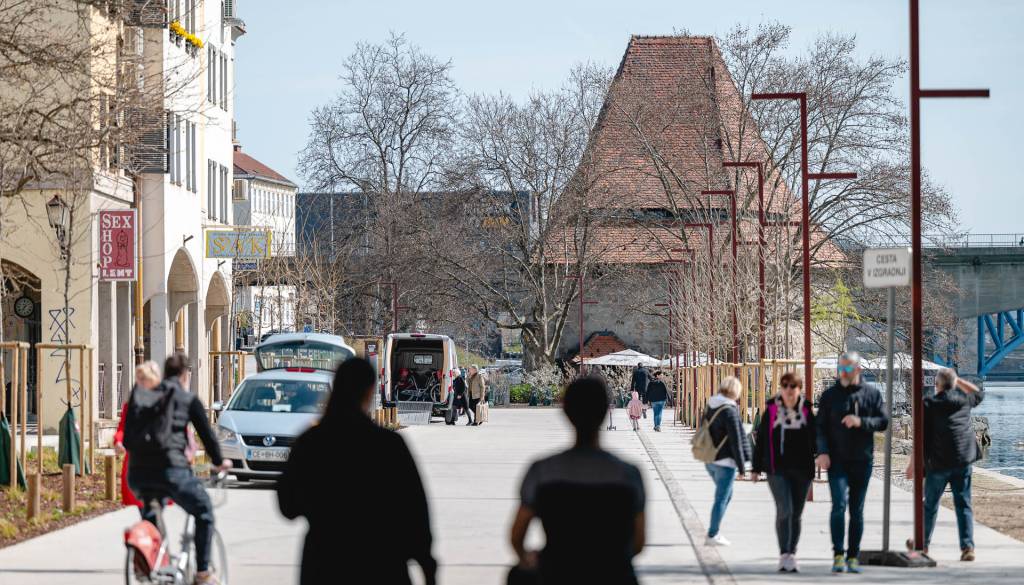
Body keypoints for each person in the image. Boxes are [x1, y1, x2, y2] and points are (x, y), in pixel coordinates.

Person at [278, 358, 436, 585]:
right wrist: (427, 565)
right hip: (382, 563)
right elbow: (415, 511)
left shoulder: (311, 443)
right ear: (370, 391)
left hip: (324, 563)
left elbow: (288, 506)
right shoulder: (388, 445)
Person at [511, 376, 645, 585]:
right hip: (614, 573)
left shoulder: (542, 471)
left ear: (565, 411)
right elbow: (638, 543)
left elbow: (517, 537)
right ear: (605, 411)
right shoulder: (628, 474)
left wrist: (528, 558)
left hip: (556, 572)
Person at [125, 353, 232, 585]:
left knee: (152, 511)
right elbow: (207, 435)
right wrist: (219, 461)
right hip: (171, 471)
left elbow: (127, 434)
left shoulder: (144, 394)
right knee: (203, 510)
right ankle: (202, 573)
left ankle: (148, 562)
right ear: (185, 375)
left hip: (137, 474)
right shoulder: (187, 398)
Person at [816, 351, 888, 573]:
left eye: (847, 368)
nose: (843, 372)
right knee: (838, 505)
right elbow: (819, 428)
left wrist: (860, 421)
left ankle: (853, 556)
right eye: (840, 368)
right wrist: (822, 452)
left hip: (861, 460)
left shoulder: (871, 394)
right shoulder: (829, 396)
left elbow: (883, 421)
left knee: (856, 510)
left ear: (858, 369)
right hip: (836, 460)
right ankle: (838, 554)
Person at [906, 368, 983, 561]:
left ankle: (922, 544)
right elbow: (978, 393)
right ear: (954, 384)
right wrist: (959, 381)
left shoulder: (929, 403)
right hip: (962, 460)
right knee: (963, 505)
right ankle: (967, 547)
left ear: (936, 385)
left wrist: (913, 464)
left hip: (938, 462)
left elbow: (921, 436)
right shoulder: (963, 400)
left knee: (930, 504)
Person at [752, 372, 816, 573]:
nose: (788, 390)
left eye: (792, 386)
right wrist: (755, 468)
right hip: (776, 470)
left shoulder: (806, 410)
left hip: (802, 470)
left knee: (796, 513)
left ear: (799, 389)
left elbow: (816, 438)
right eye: (785, 385)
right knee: (784, 509)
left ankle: (791, 554)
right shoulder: (772, 409)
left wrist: (823, 453)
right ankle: (783, 553)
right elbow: (761, 440)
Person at [701, 375, 750, 546]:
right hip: (725, 462)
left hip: (710, 459)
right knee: (722, 498)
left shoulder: (711, 405)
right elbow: (736, 441)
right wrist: (742, 468)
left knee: (726, 495)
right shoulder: (729, 410)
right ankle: (712, 534)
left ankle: (714, 531)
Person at [114, 361, 162, 508]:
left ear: (154, 381)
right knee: (142, 506)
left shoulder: (164, 404)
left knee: (154, 507)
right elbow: (122, 429)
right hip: (135, 461)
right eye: (138, 379)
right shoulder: (130, 406)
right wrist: (118, 441)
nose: (140, 383)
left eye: (144, 379)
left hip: (156, 460)